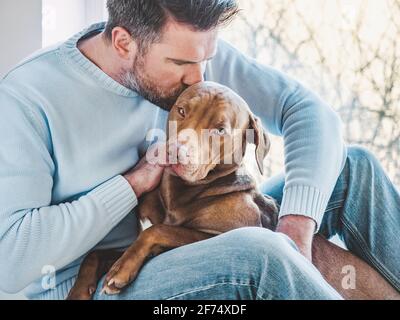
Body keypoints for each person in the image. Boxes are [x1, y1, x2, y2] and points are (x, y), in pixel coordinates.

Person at [0, 0, 398, 300]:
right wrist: (133, 184)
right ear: (124, 43)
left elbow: (310, 112)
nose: (199, 77)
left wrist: (296, 224)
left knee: (352, 167)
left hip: (190, 228)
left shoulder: (190, 53)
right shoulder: (27, 99)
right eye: (183, 65)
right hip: (96, 283)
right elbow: (9, 261)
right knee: (262, 252)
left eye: (207, 59)